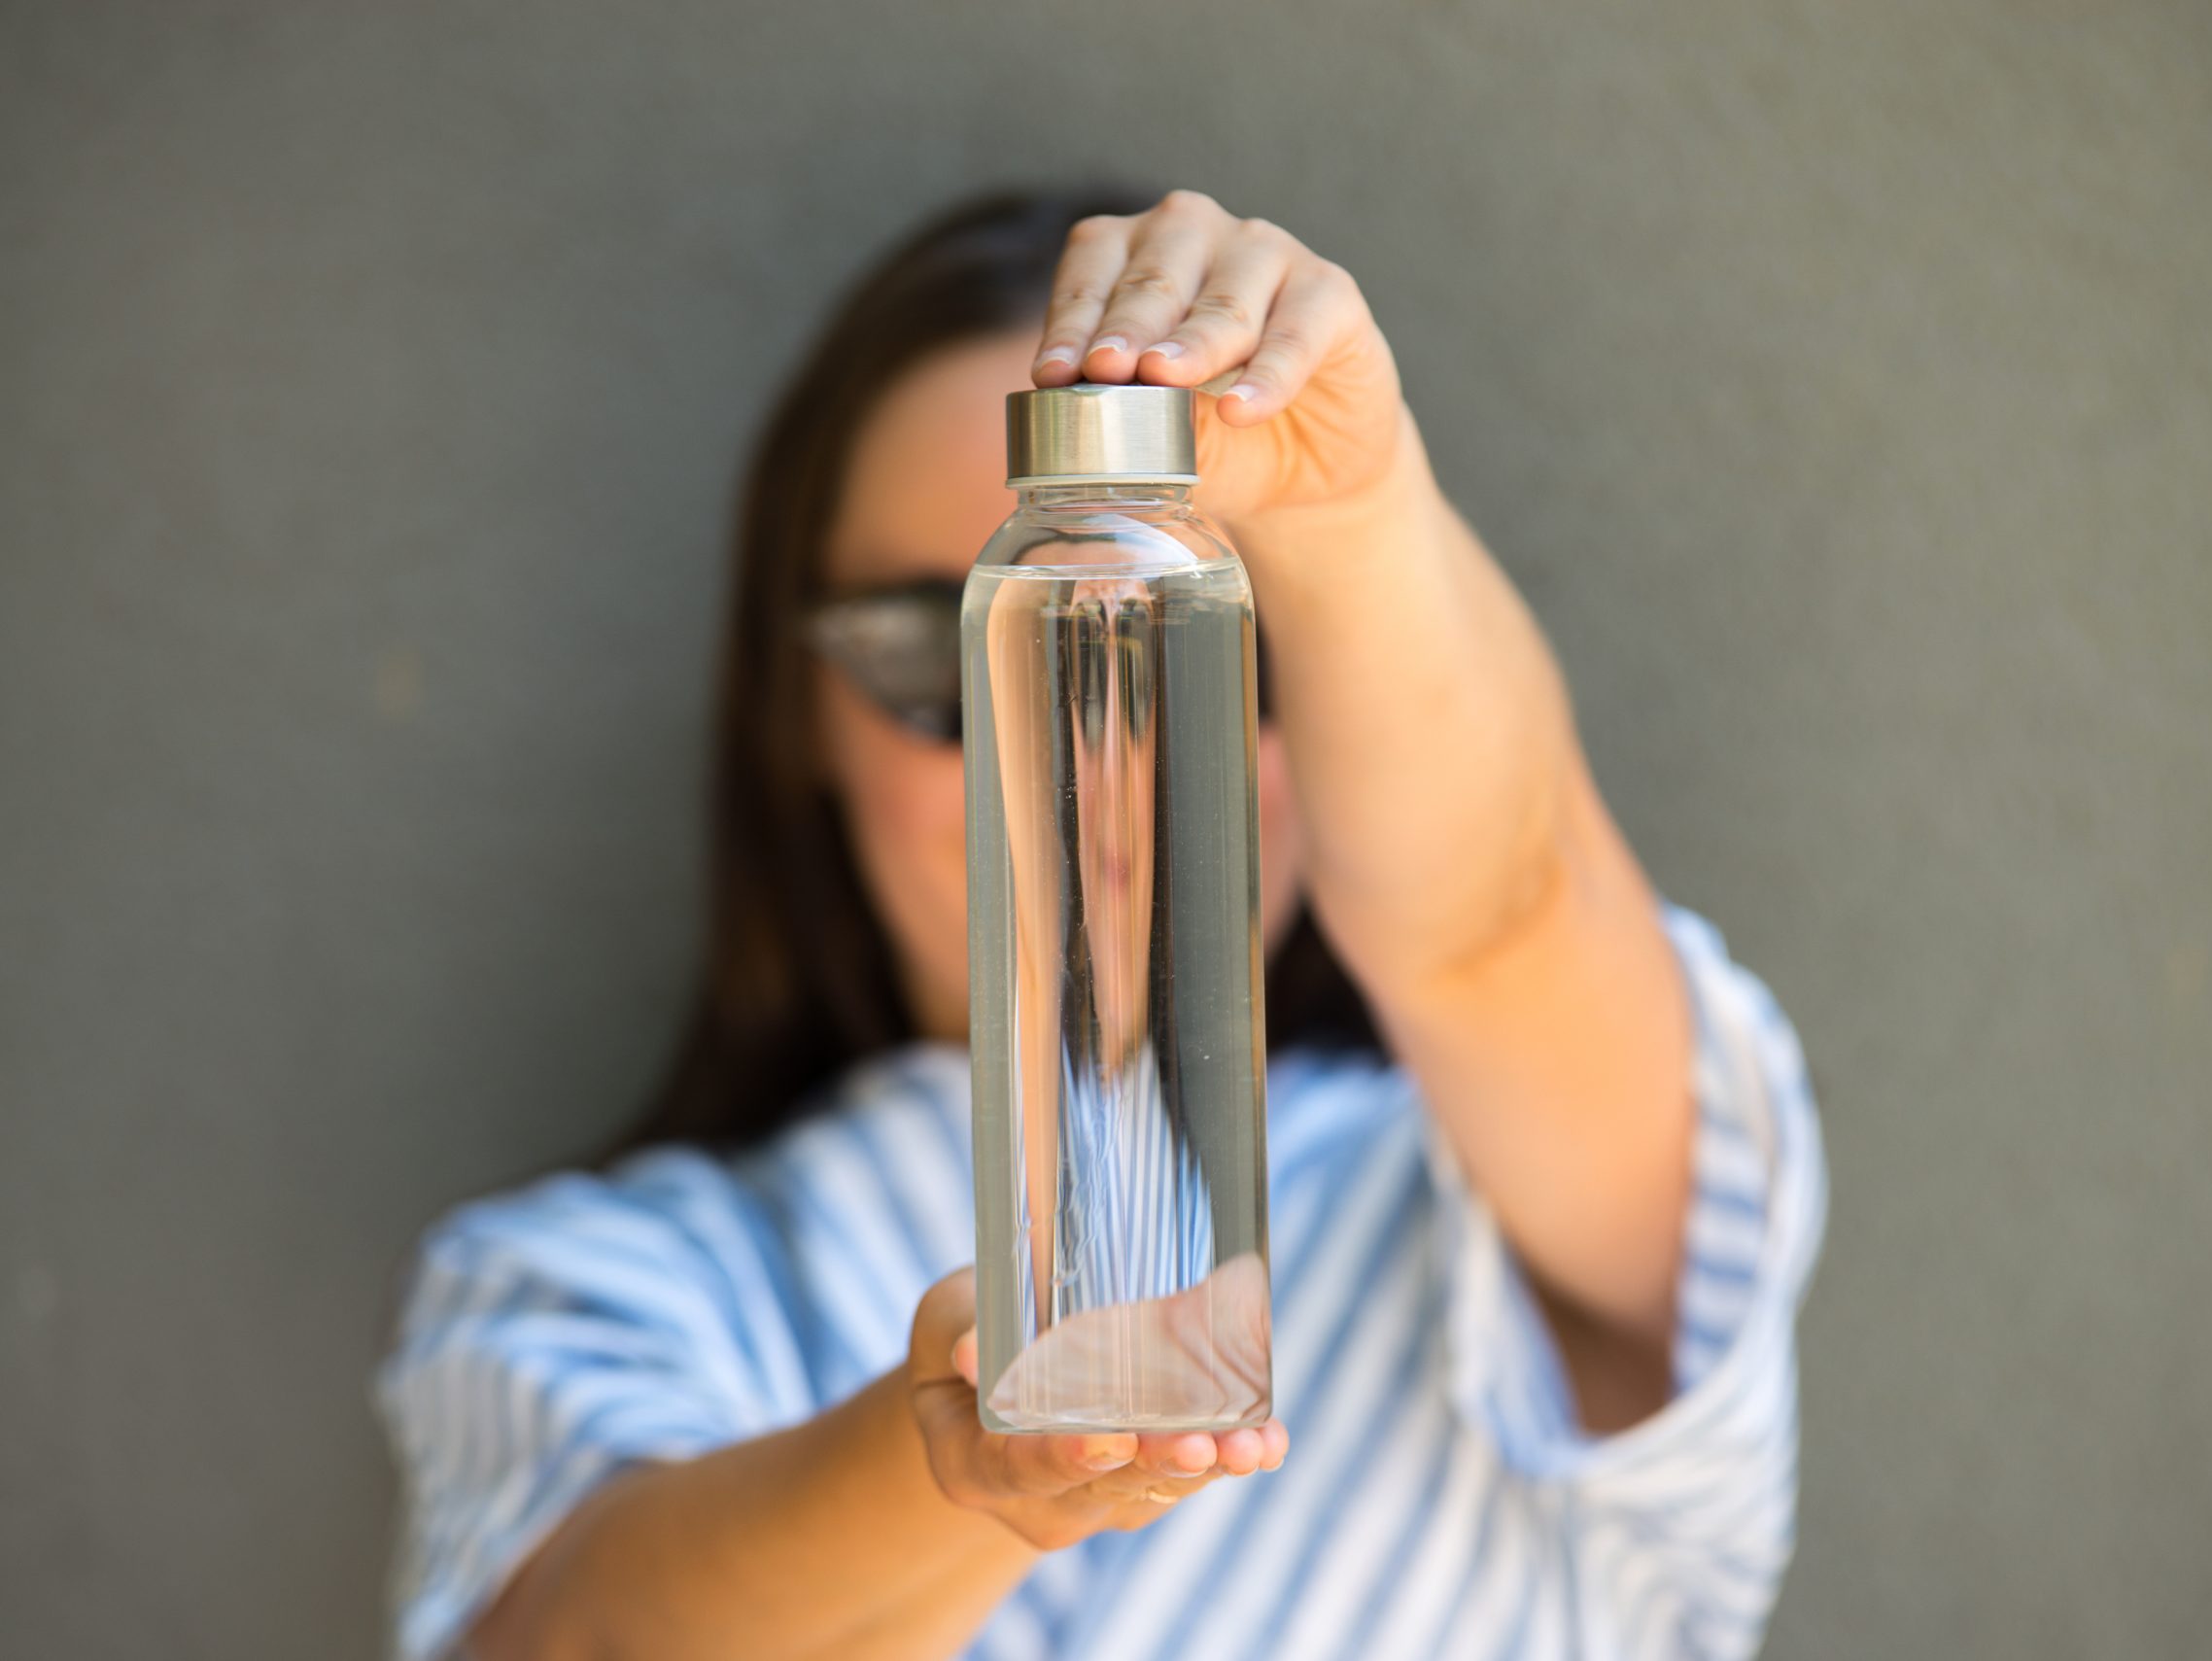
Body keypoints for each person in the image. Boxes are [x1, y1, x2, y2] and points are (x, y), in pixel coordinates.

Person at [375, 184, 1825, 1661]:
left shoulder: (1492, 1197)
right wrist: (952, 1460)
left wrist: (1351, 507)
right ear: (792, 697)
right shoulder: (601, 1281)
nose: (1090, 770)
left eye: (1216, 660)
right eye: (954, 666)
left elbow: (1498, 922)